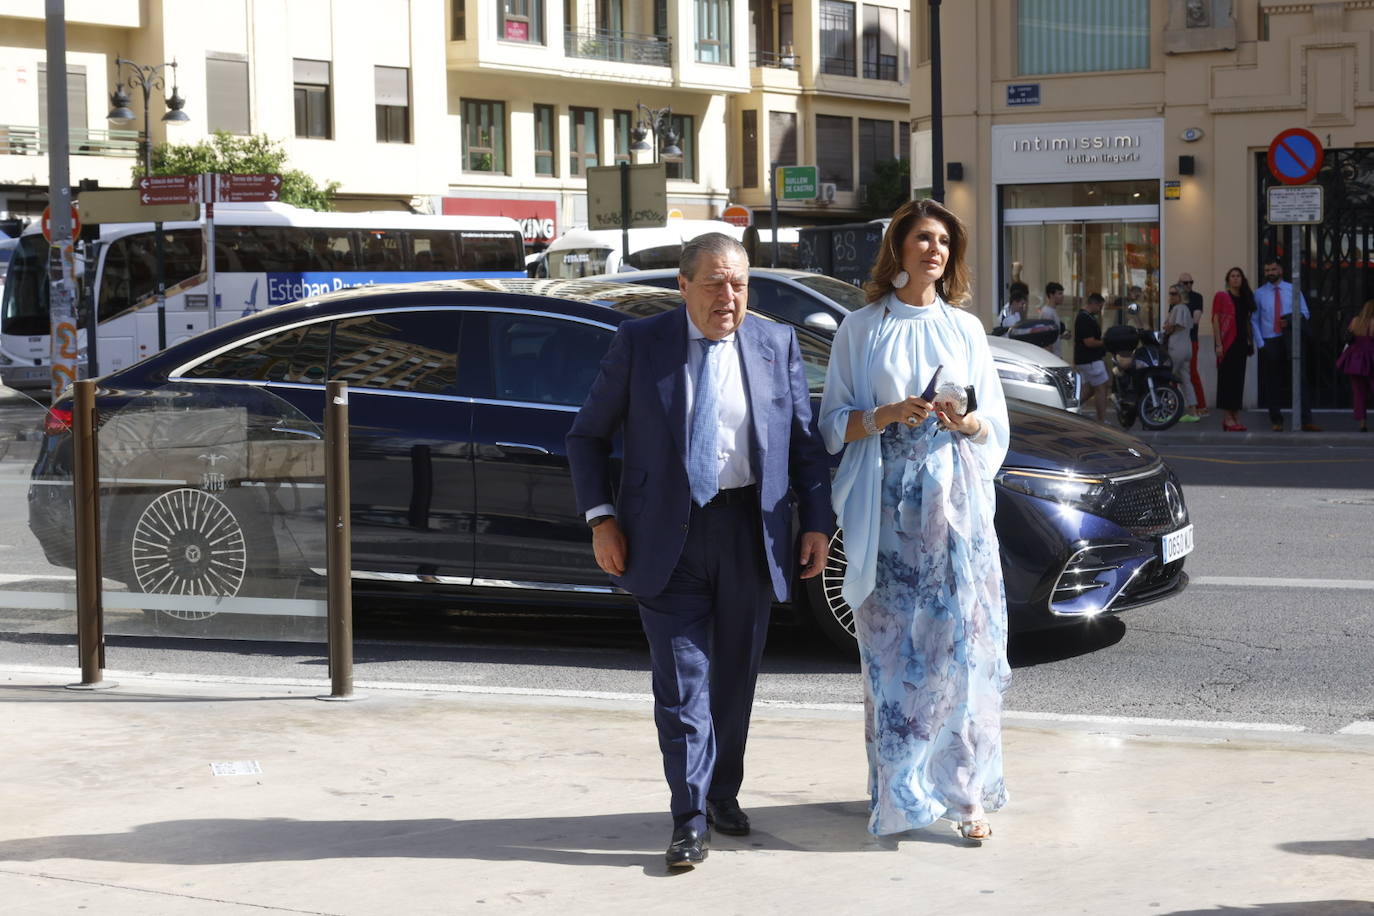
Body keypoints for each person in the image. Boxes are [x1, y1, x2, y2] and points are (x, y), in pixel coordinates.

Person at [565, 233, 833, 870]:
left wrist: (817, 523)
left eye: (738, 283)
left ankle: (723, 794)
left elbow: (804, 448)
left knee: (734, 681)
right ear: (682, 286)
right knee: (682, 685)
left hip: (750, 532)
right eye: (714, 283)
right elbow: (586, 437)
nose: (728, 296)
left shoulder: (775, 344)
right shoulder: (641, 345)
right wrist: (602, 519)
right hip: (666, 539)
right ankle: (688, 820)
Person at [819, 198, 1011, 843]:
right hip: (886, 513)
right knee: (894, 655)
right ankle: (899, 795)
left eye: (945, 242)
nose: (935, 250)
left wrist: (963, 421)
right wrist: (889, 414)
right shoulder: (862, 329)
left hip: (955, 513)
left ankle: (964, 798)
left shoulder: (965, 329)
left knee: (961, 650)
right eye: (923, 238)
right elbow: (831, 425)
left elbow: (995, 428)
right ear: (898, 248)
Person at [1253, 260, 1320, 431]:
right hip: (1270, 340)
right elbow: (1254, 320)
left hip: (1292, 339)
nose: (1270, 272)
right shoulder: (1259, 293)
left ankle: (1306, 420)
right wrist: (1261, 344)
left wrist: (1290, 320)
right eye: (1267, 269)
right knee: (1272, 381)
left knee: (1299, 379)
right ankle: (1276, 421)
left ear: (1281, 270)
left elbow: (1305, 313)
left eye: (1273, 269)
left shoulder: (1293, 289)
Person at [1212, 266, 1256, 431]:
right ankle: (1227, 417)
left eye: (1238, 276)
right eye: (1232, 276)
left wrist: (1250, 342)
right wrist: (1218, 344)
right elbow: (1215, 320)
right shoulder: (1222, 296)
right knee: (1226, 381)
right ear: (1228, 280)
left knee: (1238, 381)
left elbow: (1247, 322)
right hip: (1226, 343)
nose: (1236, 278)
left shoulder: (1245, 298)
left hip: (1241, 344)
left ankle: (1236, 415)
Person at [1163, 284, 1201, 421]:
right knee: (1186, 380)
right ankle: (1193, 411)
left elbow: (1177, 325)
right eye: (1170, 293)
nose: (1171, 296)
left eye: (1174, 294)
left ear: (1180, 295)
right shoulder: (1186, 308)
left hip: (1177, 348)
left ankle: (1165, 411)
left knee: (1166, 378)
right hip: (1187, 347)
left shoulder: (1178, 308)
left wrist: (1168, 327)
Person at [1336, 298, 1374, 432]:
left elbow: (1349, 337)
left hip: (1355, 360)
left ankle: (1362, 423)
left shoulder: (1355, 321)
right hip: (1371, 358)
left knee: (1359, 393)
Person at [1074, 293, 1110, 422]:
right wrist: (1106, 342)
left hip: (1087, 359)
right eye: (1100, 306)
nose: (1100, 310)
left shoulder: (1086, 317)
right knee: (1101, 387)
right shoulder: (1085, 319)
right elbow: (1088, 342)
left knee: (1089, 389)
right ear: (1093, 303)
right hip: (1090, 360)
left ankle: (1070, 408)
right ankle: (1101, 420)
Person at [1178, 273, 1208, 415]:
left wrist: (1177, 323)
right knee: (1174, 373)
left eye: (1191, 282)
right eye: (1185, 283)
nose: (1189, 285)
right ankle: (1174, 405)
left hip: (1191, 340)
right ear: (1180, 283)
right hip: (1176, 340)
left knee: (1192, 373)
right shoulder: (1176, 298)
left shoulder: (1197, 297)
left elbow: (1195, 320)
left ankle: (1201, 406)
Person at [1040, 281, 1066, 356]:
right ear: (1051, 295)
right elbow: (1047, 337)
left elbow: (1053, 335)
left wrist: (1062, 336)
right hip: (1052, 356)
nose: (1062, 296)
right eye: (1059, 293)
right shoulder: (1047, 312)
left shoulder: (1053, 311)